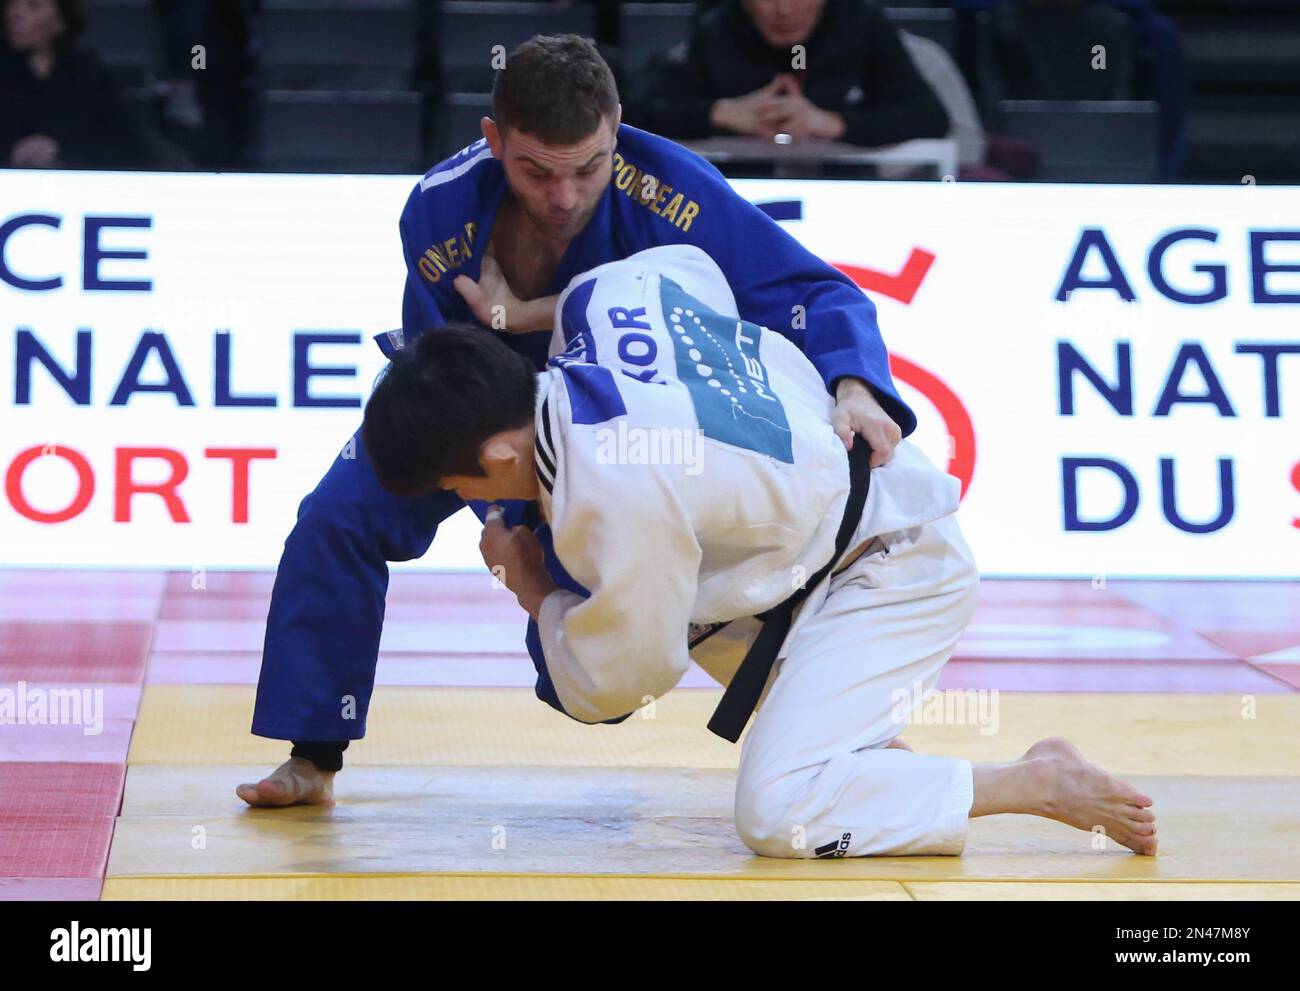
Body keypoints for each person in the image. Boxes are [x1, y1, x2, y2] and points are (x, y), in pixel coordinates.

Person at [239, 34, 913, 805]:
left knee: (612, 649)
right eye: (535, 171)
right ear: (494, 141)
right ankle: (314, 751)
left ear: (616, 129)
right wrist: (501, 514)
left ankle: (852, 742)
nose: (563, 196)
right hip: (479, 420)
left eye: (588, 167)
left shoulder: (671, 191)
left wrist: (856, 384)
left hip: (619, 438)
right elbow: (440, 375)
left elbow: (813, 291)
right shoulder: (441, 210)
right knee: (336, 514)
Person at [354, 243, 1159, 858]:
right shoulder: (601, 300)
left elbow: (626, 679)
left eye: (456, 482)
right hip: (836, 533)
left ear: (498, 451)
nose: (464, 499)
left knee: (777, 814)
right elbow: (690, 267)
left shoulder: (609, 493)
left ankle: (1033, 781)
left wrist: (532, 588)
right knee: (700, 594)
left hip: (892, 570)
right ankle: (867, 759)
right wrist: (524, 313)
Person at [625, 0, 949, 148]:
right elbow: (637, 112)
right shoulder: (718, 27)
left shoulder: (861, 24)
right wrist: (719, 113)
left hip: (849, 198)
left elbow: (930, 116)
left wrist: (834, 123)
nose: (784, 9)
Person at [0, 0, 150, 168]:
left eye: (33, 5)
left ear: (60, 21)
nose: (14, 12)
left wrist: (63, 153)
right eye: (11, 3)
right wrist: (10, 152)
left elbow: (130, 149)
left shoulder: (89, 75)